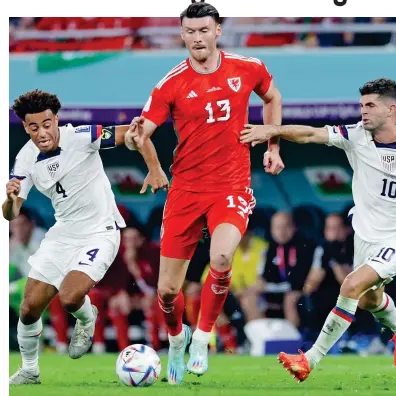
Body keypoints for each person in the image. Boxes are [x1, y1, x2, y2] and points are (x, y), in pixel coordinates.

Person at [240, 77, 396, 382]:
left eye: (370, 105)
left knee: (350, 286)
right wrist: (274, 130)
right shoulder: (355, 135)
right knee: (368, 300)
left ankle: (309, 359)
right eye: (361, 105)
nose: (363, 111)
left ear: (392, 109)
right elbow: (311, 134)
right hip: (365, 237)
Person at [126, 1, 284, 384]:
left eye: (204, 31)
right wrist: (150, 162)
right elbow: (139, 134)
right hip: (185, 189)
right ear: (182, 35)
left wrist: (272, 144)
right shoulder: (170, 83)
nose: (197, 38)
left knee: (223, 255)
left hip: (231, 184)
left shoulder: (248, 67)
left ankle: (202, 337)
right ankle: (177, 339)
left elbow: (272, 98)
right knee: (167, 292)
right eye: (190, 32)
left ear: (217, 32)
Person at [6, 89, 163, 384]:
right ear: (25, 127)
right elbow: (11, 214)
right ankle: (29, 369)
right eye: (33, 127)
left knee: (69, 296)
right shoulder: (25, 158)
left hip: (100, 231)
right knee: (28, 309)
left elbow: (130, 134)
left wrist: (148, 162)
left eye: (47, 123)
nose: (42, 132)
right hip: (63, 233)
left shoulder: (81, 135)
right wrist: (10, 199)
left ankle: (87, 318)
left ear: (57, 120)